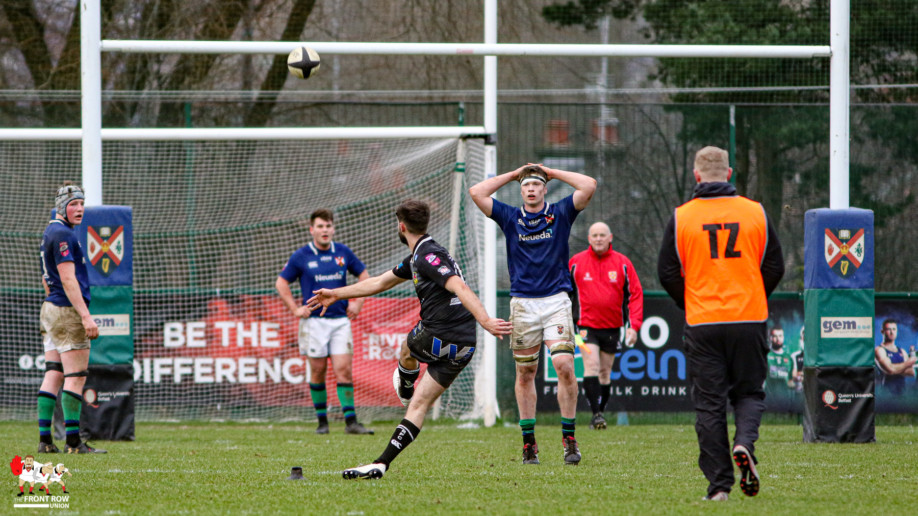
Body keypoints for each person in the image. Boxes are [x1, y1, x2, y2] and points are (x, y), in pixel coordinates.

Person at [305, 199, 511, 479]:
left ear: (401, 227)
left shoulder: (427, 257)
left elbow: (459, 287)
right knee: (419, 405)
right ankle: (381, 463)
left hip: (439, 334)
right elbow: (380, 282)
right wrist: (337, 293)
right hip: (465, 346)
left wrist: (486, 320)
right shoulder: (421, 254)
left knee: (407, 346)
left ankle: (404, 384)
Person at [657, 146, 784, 501]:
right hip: (748, 318)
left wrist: (691, 302)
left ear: (696, 176)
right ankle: (744, 444)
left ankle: (719, 487)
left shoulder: (682, 217)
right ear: (729, 174)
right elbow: (775, 265)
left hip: (703, 321)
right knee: (749, 393)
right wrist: (754, 295)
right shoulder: (755, 212)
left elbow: (667, 272)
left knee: (709, 404)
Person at [470, 163, 596, 465]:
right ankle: (529, 443)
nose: (530, 188)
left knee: (564, 365)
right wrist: (513, 174)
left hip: (556, 302)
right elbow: (477, 192)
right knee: (525, 373)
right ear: (520, 189)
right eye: (525, 184)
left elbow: (589, 184)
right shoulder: (510, 217)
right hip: (523, 304)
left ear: (545, 188)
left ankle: (569, 439)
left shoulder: (561, 212)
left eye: (536, 184)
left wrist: (552, 170)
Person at [276, 209, 373, 435]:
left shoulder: (343, 252)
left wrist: (357, 303)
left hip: (340, 321)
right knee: (318, 370)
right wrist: (295, 309)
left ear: (333, 228)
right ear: (312, 230)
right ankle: (322, 423)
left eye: (328, 226)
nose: (325, 230)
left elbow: (364, 276)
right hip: (314, 323)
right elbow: (281, 283)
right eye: (320, 226)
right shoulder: (301, 255)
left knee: (343, 370)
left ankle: (351, 423)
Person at [37, 182, 106, 454]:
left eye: (81, 203)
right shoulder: (63, 234)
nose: (79, 209)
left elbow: (46, 279)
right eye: (73, 204)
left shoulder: (50, 231)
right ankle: (73, 442)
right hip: (66, 310)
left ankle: (45, 441)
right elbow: (67, 279)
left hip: (50, 308)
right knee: (75, 376)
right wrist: (85, 316)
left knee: (54, 373)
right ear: (61, 206)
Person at [569, 221, 643, 430]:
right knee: (591, 365)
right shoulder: (576, 263)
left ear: (610, 238)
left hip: (612, 328)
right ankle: (596, 415)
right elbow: (564, 293)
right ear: (589, 239)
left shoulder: (623, 263)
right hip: (583, 328)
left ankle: (599, 413)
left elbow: (635, 295)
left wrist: (634, 326)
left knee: (604, 372)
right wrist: (565, 322)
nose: (599, 239)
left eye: (602, 235)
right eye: (595, 235)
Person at [874, 319, 916, 396]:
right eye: (888, 329)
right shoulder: (879, 350)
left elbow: (911, 372)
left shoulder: (902, 351)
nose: (892, 332)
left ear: (896, 331)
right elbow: (890, 370)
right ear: (882, 331)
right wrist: (909, 363)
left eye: (894, 329)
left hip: (901, 393)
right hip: (885, 394)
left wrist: (897, 368)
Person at [790, 326, 805, 392]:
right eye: (804, 337)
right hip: (799, 390)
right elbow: (794, 375)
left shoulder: (817, 356)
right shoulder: (795, 356)